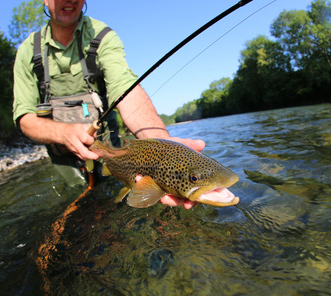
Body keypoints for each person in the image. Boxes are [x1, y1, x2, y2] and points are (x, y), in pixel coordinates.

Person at [13, 0, 201, 209]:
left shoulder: (102, 36)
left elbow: (125, 90)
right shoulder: (28, 51)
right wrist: (64, 133)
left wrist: (165, 149)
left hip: (111, 156)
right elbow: (25, 119)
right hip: (63, 160)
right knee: (77, 208)